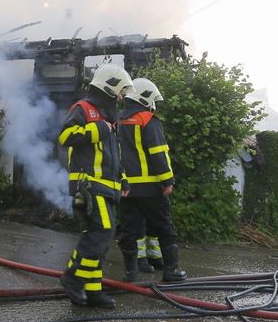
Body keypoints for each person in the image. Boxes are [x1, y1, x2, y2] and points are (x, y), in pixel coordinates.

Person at [58, 63, 133, 309]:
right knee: (101, 233)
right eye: (120, 90)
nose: (121, 96)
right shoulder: (84, 109)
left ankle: (92, 290)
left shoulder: (111, 118)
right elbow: (64, 137)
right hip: (88, 185)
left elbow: (113, 155)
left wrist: (122, 178)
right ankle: (72, 277)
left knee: (101, 236)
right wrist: (99, 128)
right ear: (109, 86)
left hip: (108, 186)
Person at [116, 78, 186, 283]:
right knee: (164, 226)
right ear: (145, 98)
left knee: (130, 229)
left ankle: (130, 274)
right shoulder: (148, 119)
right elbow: (158, 153)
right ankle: (171, 271)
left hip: (126, 188)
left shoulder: (117, 119)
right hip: (151, 188)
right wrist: (168, 180)